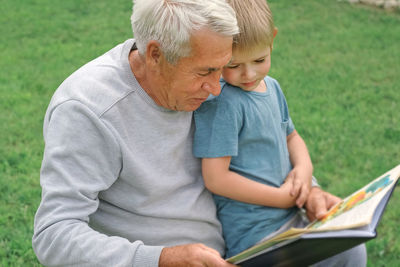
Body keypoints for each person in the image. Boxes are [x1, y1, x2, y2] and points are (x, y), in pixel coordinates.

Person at [32, 0, 352, 266]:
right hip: (162, 259)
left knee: (348, 251)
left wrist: (307, 188)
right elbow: (54, 234)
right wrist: (160, 259)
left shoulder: (215, 74)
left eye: (222, 67)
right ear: (155, 55)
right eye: (206, 73)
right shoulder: (88, 110)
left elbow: (266, 137)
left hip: (244, 242)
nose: (216, 90)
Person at [193, 0, 367, 265]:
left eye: (259, 60)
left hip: (293, 217)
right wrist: (282, 199)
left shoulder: (271, 88)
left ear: (272, 39)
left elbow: (292, 136)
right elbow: (216, 178)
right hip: (258, 234)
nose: (248, 73)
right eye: (233, 65)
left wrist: (305, 170)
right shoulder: (224, 102)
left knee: (352, 249)